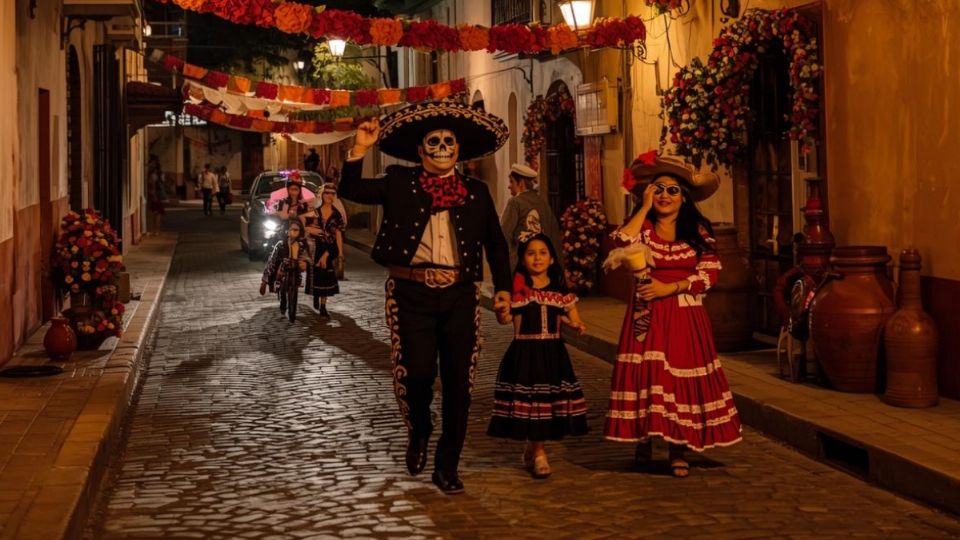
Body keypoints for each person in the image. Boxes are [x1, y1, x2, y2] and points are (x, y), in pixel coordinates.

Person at [339, 101, 512, 495]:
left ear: (458, 150)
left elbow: (496, 244)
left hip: (460, 296)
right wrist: (360, 149)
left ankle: (447, 465)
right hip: (410, 292)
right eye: (433, 142)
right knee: (417, 374)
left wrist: (503, 288)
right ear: (420, 151)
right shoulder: (399, 182)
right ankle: (419, 427)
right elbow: (352, 190)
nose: (441, 147)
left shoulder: (476, 192)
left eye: (448, 141)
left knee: (459, 385)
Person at [604, 150, 742, 478]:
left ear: (685, 198)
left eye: (672, 190)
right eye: (658, 189)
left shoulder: (698, 232)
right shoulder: (644, 227)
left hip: (683, 315)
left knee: (677, 379)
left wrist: (673, 287)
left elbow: (710, 273)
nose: (665, 195)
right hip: (646, 313)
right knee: (649, 377)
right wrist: (644, 207)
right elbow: (619, 243)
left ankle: (678, 446)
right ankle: (645, 439)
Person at [488, 233, 588, 479]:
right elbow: (507, 319)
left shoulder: (559, 291)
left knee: (545, 406)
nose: (537, 258)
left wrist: (576, 324)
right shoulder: (518, 291)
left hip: (553, 353)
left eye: (543, 252)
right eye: (531, 253)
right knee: (533, 404)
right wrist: (502, 312)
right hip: (525, 353)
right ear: (522, 259)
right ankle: (540, 454)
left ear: (552, 259)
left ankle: (534, 447)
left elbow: (571, 314)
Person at [500, 163, 563, 270]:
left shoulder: (515, 202)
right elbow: (554, 234)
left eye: (512, 181)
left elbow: (503, 234)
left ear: (521, 183)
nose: (509, 186)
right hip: (544, 264)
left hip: (522, 264)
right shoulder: (542, 202)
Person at [304, 183, 344, 317]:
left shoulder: (337, 215)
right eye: (327, 193)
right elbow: (308, 229)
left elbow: (338, 234)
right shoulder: (314, 212)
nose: (329, 196)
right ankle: (316, 294)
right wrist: (318, 231)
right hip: (316, 247)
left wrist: (340, 253)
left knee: (326, 274)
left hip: (331, 247)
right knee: (317, 274)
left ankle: (323, 306)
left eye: (332, 193)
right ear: (322, 195)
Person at [259, 220, 311, 313]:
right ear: (287, 231)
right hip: (283, 269)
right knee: (280, 275)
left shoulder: (302, 244)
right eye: (291, 229)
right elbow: (271, 262)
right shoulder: (280, 245)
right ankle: (282, 297)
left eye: (296, 230)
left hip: (296, 269)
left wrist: (304, 261)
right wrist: (264, 282)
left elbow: (308, 257)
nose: (293, 232)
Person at [147, 161, 166, 234]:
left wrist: (153, 195)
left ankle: (154, 230)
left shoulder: (153, 176)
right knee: (158, 214)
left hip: (155, 196)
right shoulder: (161, 175)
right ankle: (157, 230)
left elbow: (152, 186)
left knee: (155, 213)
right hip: (160, 196)